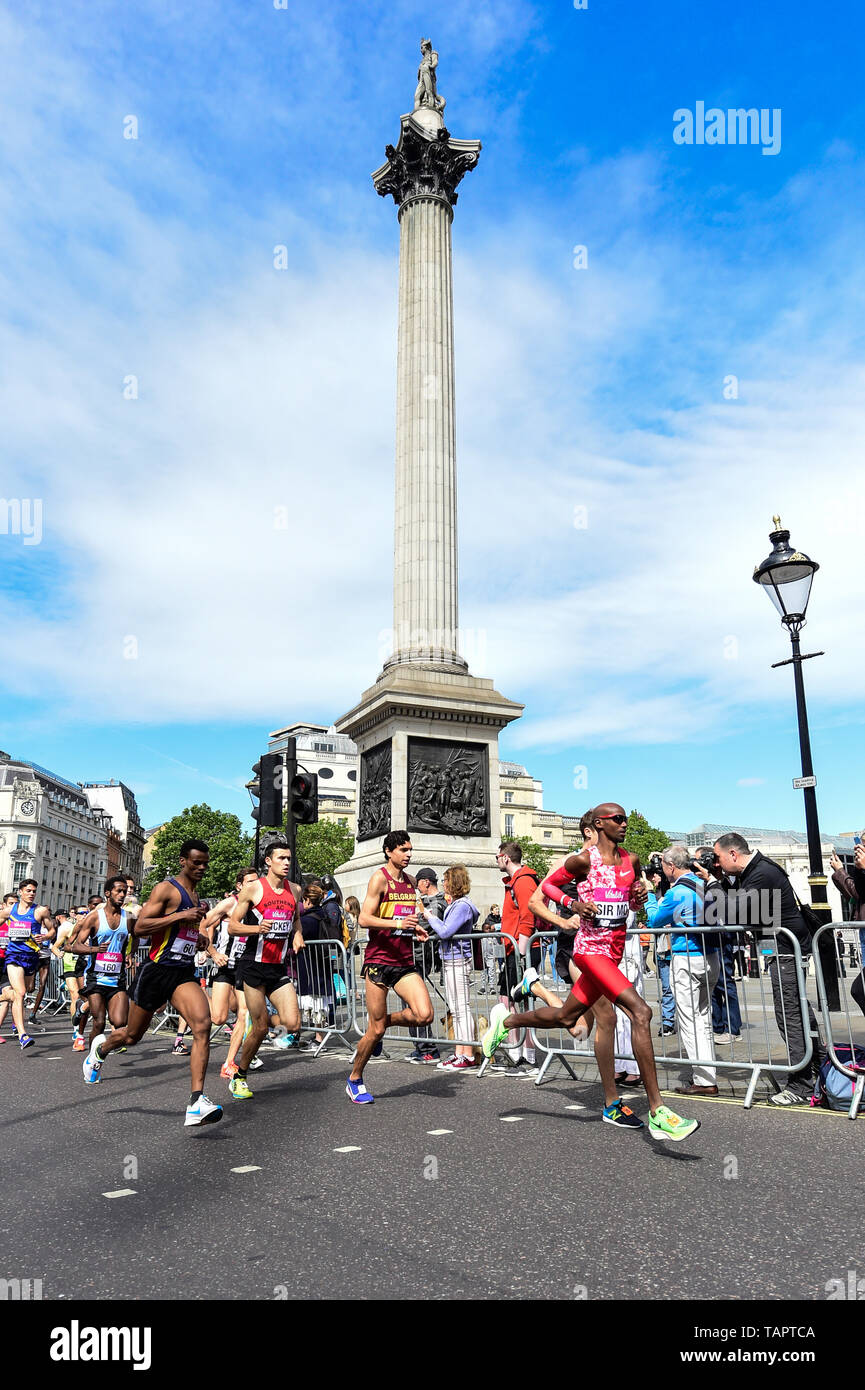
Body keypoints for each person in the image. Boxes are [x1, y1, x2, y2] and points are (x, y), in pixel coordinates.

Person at [483, 804, 701, 1141]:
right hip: (589, 952)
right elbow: (546, 892)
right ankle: (658, 1111)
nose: (624, 823)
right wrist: (572, 906)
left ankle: (507, 1021)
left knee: (567, 1017)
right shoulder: (582, 860)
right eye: (617, 819)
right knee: (640, 1011)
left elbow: (632, 904)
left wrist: (639, 898)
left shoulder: (631, 861)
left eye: (625, 818)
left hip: (612, 953)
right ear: (599, 825)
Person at [82, 839, 223, 1127]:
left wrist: (197, 939)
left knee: (203, 1024)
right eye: (196, 862)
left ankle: (196, 1101)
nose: (201, 867)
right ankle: (101, 1050)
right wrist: (181, 915)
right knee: (132, 1037)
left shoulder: (197, 896)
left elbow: (177, 933)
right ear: (183, 861)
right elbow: (141, 926)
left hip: (182, 972)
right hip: (156, 971)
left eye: (205, 863)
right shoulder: (166, 889)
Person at [714, 832, 824, 1106]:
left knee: (790, 1018)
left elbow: (729, 912)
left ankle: (800, 1086)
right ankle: (820, 1071)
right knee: (799, 1015)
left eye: (717, 857)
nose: (715, 863)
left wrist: (712, 885)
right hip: (784, 951)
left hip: (786, 952)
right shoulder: (755, 871)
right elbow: (747, 909)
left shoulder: (761, 873)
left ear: (732, 854)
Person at [347, 830, 434, 1104]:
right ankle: (355, 1079)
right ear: (389, 851)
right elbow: (364, 918)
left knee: (425, 1015)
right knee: (375, 1031)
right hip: (379, 961)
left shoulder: (409, 882)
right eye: (403, 850)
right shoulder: (379, 879)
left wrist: (416, 927)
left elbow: (404, 916)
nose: (408, 855)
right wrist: (398, 925)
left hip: (403, 961)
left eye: (410, 850)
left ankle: (384, 1021)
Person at [227, 842, 304, 1100]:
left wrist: (297, 935)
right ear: (268, 861)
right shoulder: (253, 889)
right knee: (259, 1028)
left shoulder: (295, 890)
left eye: (289, 858)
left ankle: (259, 1038)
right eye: (281, 858)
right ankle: (240, 1075)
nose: (286, 862)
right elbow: (233, 927)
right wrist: (255, 930)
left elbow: (295, 919)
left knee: (293, 1023)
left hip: (278, 966)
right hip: (253, 965)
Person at [648, 845, 720, 1096]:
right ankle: (707, 1073)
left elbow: (655, 921)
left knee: (689, 1021)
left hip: (686, 957)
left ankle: (703, 1079)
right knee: (703, 1017)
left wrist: (650, 895)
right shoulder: (705, 884)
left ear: (670, 866)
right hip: (711, 956)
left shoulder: (677, 892)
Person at [201, 868, 259, 1080]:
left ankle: (229, 1062)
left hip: (245, 966)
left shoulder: (259, 905)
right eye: (249, 882)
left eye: (256, 881)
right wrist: (213, 952)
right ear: (239, 886)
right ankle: (198, 997)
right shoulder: (229, 903)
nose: (254, 885)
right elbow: (203, 923)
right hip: (224, 965)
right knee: (219, 1017)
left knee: (244, 1013)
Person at [421, 865, 479, 1070]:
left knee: (461, 1008)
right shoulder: (457, 904)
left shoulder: (462, 905)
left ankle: (468, 1053)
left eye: (446, 880)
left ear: (454, 882)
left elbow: (445, 932)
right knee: (455, 1009)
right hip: (451, 958)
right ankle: (459, 1052)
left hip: (458, 959)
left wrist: (429, 917)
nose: (443, 884)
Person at [495, 840, 543, 1074]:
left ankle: (527, 1054)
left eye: (497, 856)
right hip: (513, 947)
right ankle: (516, 1050)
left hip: (520, 948)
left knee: (520, 1002)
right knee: (509, 999)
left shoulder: (523, 881)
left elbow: (527, 917)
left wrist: (520, 949)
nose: (496, 861)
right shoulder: (516, 881)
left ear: (505, 857)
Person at [71, 877, 132, 1050]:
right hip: (96, 979)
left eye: (124, 891)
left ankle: (100, 1052)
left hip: (117, 978)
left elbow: (135, 935)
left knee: (120, 1022)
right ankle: (93, 1061)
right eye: (118, 891)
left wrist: (130, 953)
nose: (122, 895)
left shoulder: (128, 918)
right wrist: (94, 950)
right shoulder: (94, 918)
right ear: (107, 893)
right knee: (99, 1022)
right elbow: (76, 945)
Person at [0, 880, 55, 1049]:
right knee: (21, 992)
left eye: (34, 891)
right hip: (13, 956)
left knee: (29, 989)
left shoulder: (40, 911)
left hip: (31, 956)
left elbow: (52, 931)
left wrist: (45, 937)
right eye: (28, 890)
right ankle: (23, 1034)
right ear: (21, 892)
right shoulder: (10, 911)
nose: (31, 893)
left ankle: (2, 996)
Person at [405, 868, 443, 1065]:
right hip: (412, 956)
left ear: (426, 882)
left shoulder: (437, 903)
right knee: (409, 1003)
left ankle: (427, 1048)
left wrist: (406, 919)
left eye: (418, 884)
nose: (416, 888)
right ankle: (420, 1046)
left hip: (420, 957)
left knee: (415, 1004)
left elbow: (425, 925)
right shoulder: (425, 902)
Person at [480, 904, 501, 994]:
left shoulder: (500, 919)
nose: (497, 911)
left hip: (495, 947)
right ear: (492, 910)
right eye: (496, 909)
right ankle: (483, 986)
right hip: (485, 950)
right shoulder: (489, 919)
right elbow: (491, 927)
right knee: (484, 969)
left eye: (498, 909)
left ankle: (492, 985)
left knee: (492, 968)